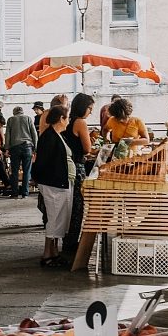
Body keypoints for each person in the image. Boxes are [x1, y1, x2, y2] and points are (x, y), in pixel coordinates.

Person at [32, 106, 75, 267]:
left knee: (60, 218)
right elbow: (42, 162)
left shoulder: (57, 135)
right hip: (53, 184)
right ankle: (47, 254)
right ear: (61, 119)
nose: (68, 121)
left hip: (60, 183)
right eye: (67, 118)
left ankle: (54, 252)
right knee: (55, 218)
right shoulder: (49, 137)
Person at [61, 93, 95, 255]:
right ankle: (72, 243)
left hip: (66, 166)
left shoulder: (67, 120)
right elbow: (87, 149)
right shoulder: (81, 122)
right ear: (84, 107)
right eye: (90, 108)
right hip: (77, 166)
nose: (91, 112)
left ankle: (66, 240)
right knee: (77, 206)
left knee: (68, 205)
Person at [6, 106, 37, 199]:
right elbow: (34, 133)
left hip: (15, 148)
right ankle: (25, 193)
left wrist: (7, 148)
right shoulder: (28, 118)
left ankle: (15, 193)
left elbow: (8, 134)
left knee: (14, 171)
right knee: (27, 170)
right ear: (22, 112)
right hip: (27, 147)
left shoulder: (11, 120)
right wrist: (35, 148)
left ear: (14, 112)